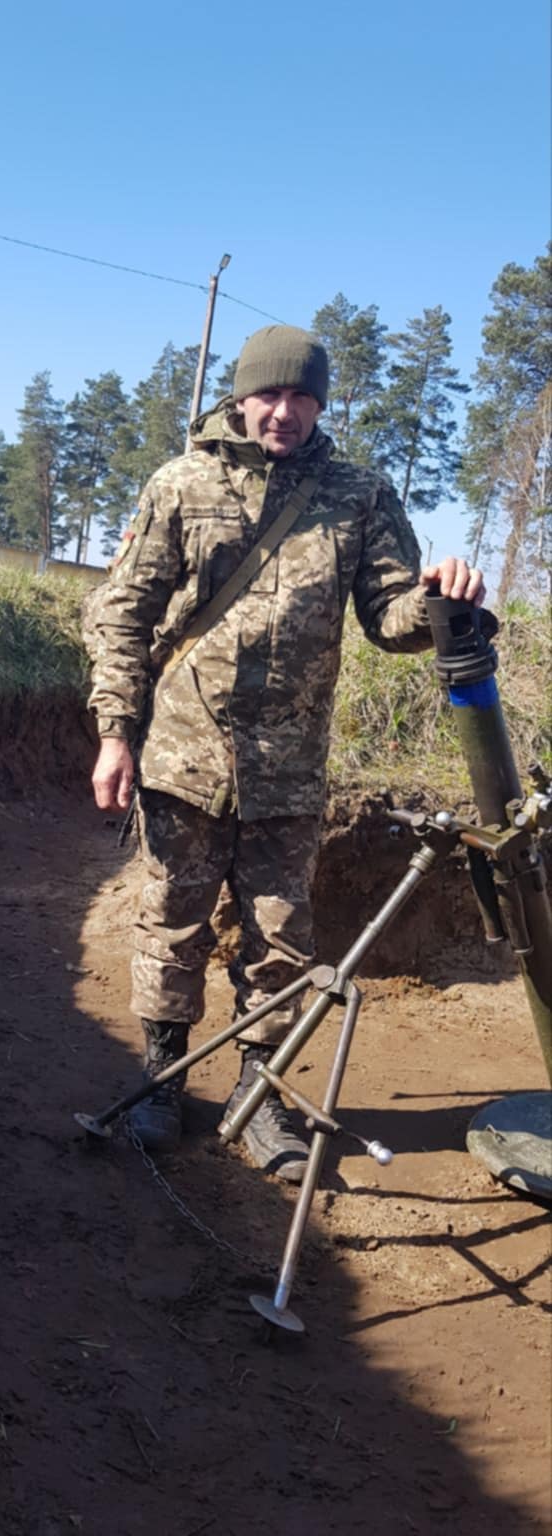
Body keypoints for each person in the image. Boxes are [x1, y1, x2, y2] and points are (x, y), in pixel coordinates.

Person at [86, 324, 484, 1179]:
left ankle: (259, 1095)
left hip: (290, 772)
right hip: (184, 758)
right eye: (270, 393)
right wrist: (116, 733)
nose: (285, 411)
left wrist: (437, 601)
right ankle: (161, 1079)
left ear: (320, 405)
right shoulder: (181, 484)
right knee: (172, 924)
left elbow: (389, 618)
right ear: (241, 397)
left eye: (303, 396)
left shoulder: (360, 495)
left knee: (281, 943)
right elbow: (121, 614)